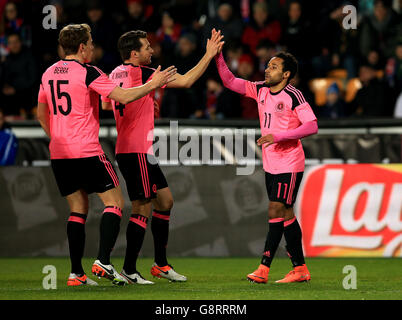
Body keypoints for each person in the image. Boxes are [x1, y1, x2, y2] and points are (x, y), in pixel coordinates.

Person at [36, 23, 176, 287]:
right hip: (86, 150)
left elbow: (41, 113)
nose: (92, 46)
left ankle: (76, 274)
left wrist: (56, 136)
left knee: (77, 210)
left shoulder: (48, 73)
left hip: (59, 152)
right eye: (89, 42)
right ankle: (103, 260)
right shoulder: (88, 72)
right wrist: (153, 84)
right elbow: (121, 96)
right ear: (81, 47)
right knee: (115, 204)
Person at [101, 29, 223, 284]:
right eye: (146, 47)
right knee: (142, 206)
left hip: (134, 150)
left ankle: (160, 264)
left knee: (165, 201)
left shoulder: (113, 73)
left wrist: (143, 101)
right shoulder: (147, 74)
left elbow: (105, 104)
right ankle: (130, 270)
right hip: (136, 150)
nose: (152, 51)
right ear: (134, 54)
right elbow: (188, 80)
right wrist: (209, 54)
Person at [215, 31, 318, 283]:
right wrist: (216, 55)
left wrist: (279, 136)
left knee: (275, 208)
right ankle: (300, 269)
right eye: (268, 65)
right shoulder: (260, 90)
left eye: (273, 67)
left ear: (285, 74)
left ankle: (263, 268)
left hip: (290, 162)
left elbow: (312, 125)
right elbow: (230, 81)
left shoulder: (294, 95)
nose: (266, 70)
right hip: (271, 163)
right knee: (286, 214)